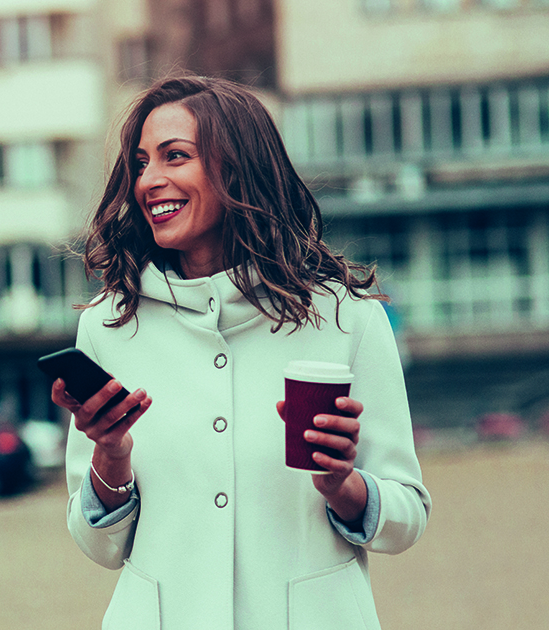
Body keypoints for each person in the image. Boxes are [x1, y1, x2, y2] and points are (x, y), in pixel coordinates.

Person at [52, 76, 431, 630]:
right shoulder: (109, 327)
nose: (150, 181)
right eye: (140, 164)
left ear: (239, 168)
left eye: (174, 157)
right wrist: (110, 458)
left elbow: (407, 518)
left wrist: (343, 486)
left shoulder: (347, 318)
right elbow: (98, 546)